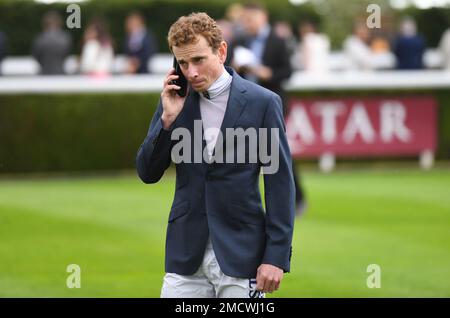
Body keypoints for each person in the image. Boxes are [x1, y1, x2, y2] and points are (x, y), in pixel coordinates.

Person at [136, 12, 295, 298]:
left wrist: (276, 256)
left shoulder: (263, 103)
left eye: (198, 60)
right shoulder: (173, 101)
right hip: (185, 256)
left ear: (221, 52)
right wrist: (167, 122)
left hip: (242, 254)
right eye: (182, 63)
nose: (191, 72)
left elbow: (279, 184)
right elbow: (147, 172)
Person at [231, 2, 306, 216]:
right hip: (246, 103)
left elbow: (287, 72)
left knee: (275, 152)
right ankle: (246, 203)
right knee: (247, 153)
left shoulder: (278, 40)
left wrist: (267, 73)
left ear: (263, 16)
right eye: (245, 19)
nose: (248, 23)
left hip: (273, 103)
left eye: (251, 18)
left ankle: (295, 199)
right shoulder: (240, 41)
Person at [32, 11, 72, 75]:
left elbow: (36, 55)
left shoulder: (40, 38)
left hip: (44, 73)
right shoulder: (65, 38)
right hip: (61, 73)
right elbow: (67, 54)